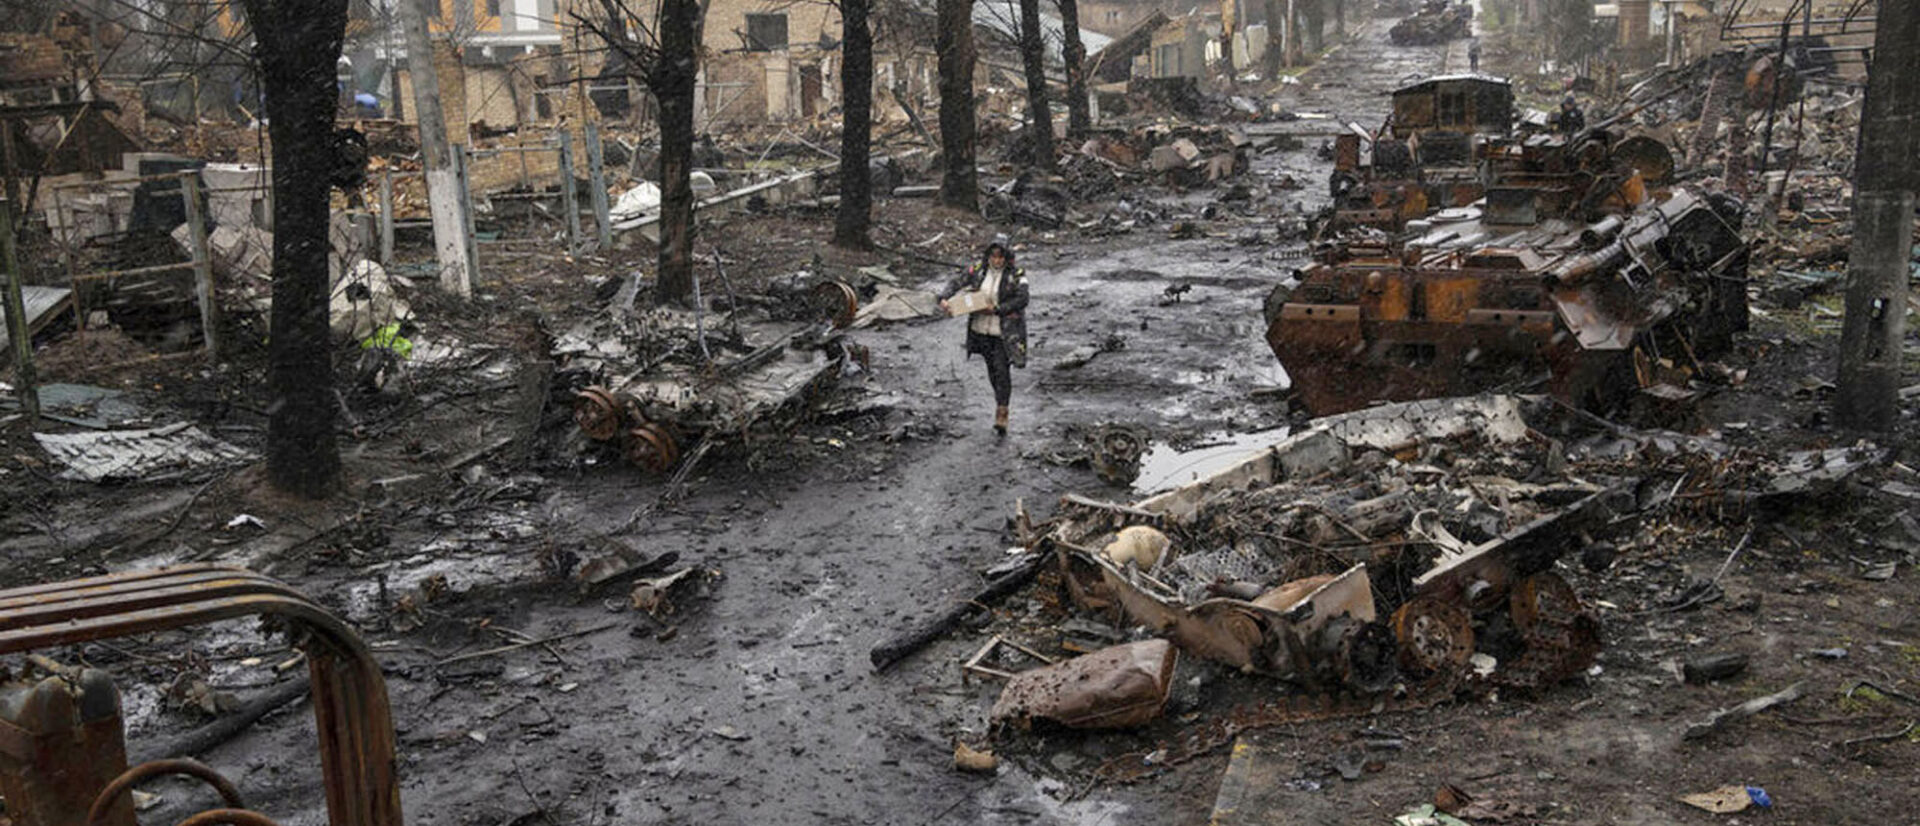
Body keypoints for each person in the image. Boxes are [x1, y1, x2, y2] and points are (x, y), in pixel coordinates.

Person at [939, 237, 1030, 435]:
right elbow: (957, 281)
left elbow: (1023, 298)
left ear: (1006, 257)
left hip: (1004, 331)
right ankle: (1000, 401)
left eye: (1000, 257)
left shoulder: (1017, 274)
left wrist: (998, 309)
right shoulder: (979, 270)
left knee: (1001, 368)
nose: (996, 261)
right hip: (981, 329)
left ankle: (1002, 410)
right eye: (993, 256)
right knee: (991, 368)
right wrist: (945, 298)